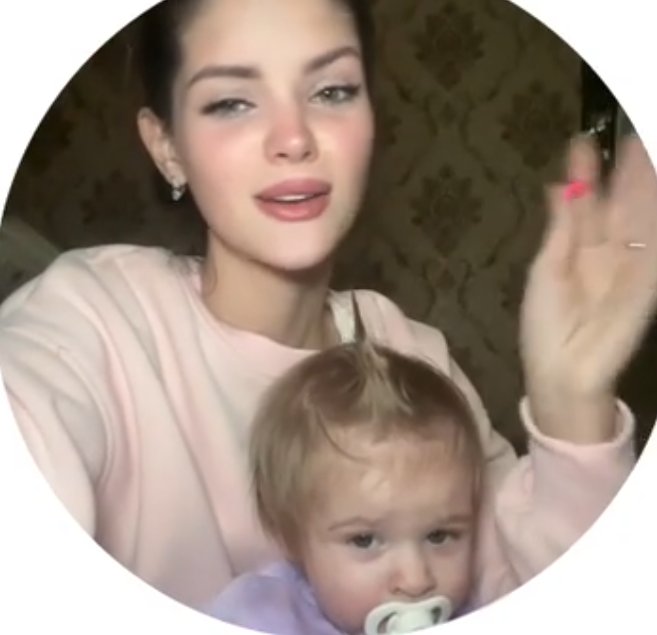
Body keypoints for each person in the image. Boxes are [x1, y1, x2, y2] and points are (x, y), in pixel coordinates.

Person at [0, 0, 656, 613]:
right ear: (167, 146)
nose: (294, 138)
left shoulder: (413, 355)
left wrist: (571, 405)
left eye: (332, 91)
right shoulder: (89, 321)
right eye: (231, 102)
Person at [207, 310, 485, 635]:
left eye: (440, 536)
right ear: (291, 537)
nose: (415, 581)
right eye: (364, 540)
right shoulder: (255, 616)